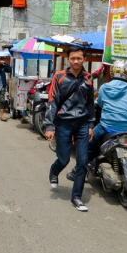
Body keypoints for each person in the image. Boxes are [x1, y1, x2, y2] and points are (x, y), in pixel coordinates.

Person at [66, 59, 127, 181]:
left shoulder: (104, 88)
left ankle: (78, 172)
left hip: (106, 127)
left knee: (87, 144)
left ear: (113, 72)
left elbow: (100, 104)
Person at [44, 46, 95, 212]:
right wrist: (49, 125)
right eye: (73, 58)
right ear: (68, 59)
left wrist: (90, 125)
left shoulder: (88, 78)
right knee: (64, 159)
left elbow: (90, 104)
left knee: (82, 162)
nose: (76, 61)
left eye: (79, 58)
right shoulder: (59, 77)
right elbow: (52, 102)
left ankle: (76, 198)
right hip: (63, 123)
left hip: (81, 124)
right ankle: (54, 170)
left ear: (84, 59)